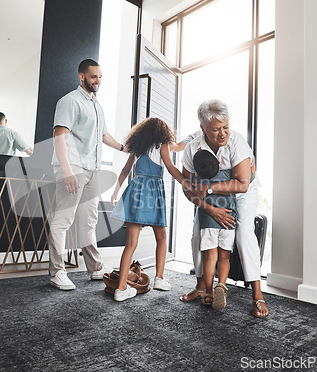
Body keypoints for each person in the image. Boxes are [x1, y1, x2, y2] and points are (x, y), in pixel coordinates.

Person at [180, 99, 269, 318]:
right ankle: (202, 287)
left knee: (243, 236)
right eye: (216, 129)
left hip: (242, 194)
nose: (223, 133)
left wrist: (209, 189)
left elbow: (242, 183)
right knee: (196, 235)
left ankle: (257, 294)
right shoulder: (193, 148)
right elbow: (187, 187)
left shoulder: (237, 142)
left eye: (226, 127)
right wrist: (210, 210)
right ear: (203, 129)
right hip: (212, 201)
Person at [48, 59, 126, 290]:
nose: (98, 81)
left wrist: (124, 148)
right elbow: (59, 136)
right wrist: (67, 171)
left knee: (89, 220)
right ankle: (56, 272)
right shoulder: (70, 101)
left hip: (92, 169)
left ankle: (95, 268)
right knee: (63, 220)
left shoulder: (96, 105)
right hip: (72, 167)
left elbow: (103, 136)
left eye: (100, 76)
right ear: (81, 76)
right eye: (93, 76)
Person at [110, 117, 193, 302]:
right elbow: (170, 168)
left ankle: (121, 288)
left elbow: (125, 171)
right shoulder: (162, 145)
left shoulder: (137, 148)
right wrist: (186, 183)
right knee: (162, 237)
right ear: (162, 133)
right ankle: (159, 278)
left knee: (130, 243)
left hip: (136, 190)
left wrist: (115, 193)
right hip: (153, 192)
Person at [192, 149, 236, 310]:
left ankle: (209, 292)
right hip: (229, 221)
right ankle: (221, 286)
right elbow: (248, 178)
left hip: (208, 222)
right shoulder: (227, 175)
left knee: (210, 259)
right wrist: (251, 168)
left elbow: (194, 195)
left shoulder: (198, 180)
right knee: (224, 258)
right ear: (218, 162)